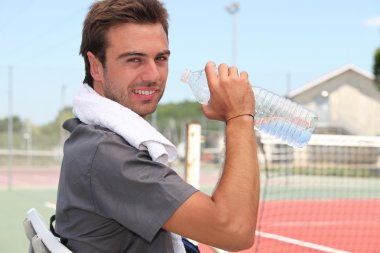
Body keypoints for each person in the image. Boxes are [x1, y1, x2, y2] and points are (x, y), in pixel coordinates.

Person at [55, 0, 260, 252]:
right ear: (96, 66)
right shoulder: (107, 154)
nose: (153, 75)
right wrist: (239, 117)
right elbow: (234, 231)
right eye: (134, 60)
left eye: (160, 58)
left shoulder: (92, 136)